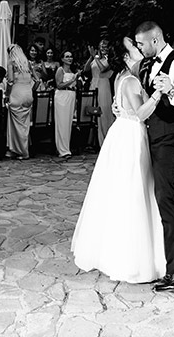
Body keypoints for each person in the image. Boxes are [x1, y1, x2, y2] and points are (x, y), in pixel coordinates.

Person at [71, 38, 166, 283]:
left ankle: (112, 251)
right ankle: (132, 257)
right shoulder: (131, 80)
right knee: (134, 189)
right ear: (125, 56)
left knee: (119, 190)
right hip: (132, 135)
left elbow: (121, 106)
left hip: (120, 132)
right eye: (135, 48)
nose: (139, 50)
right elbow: (140, 113)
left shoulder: (120, 77)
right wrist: (158, 94)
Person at [134, 20, 174, 292]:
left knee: (165, 198)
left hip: (172, 138)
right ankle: (158, 261)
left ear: (155, 39)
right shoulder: (146, 64)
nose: (139, 48)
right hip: (151, 136)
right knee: (152, 198)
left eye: (141, 44)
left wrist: (172, 90)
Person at [5, 45, 34, 160]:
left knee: (16, 126)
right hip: (28, 94)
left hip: (17, 95)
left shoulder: (11, 63)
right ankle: (15, 149)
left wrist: (7, 94)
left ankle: (23, 151)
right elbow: (37, 80)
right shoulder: (27, 64)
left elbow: (10, 81)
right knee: (24, 125)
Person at [86, 40, 114, 144]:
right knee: (93, 112)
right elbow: (86, 69)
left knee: (103, 111)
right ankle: (94, 141)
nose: (103, 48)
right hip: (94, 84)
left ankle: (106, 139)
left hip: (103, 84)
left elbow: (102, 69)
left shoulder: (109, 59)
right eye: (101, 46)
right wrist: (91, 57)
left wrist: (95, 57)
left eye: (105, 46)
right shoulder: (96, 59)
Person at [53, 50, 79, 159]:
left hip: (71, 96)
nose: (69, 58)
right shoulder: (60, 70)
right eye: (67, 56)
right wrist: (72, 80)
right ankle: (62, 150)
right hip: (62, 96)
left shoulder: (72, 70)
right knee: (62, 123)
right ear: (62, 59)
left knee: (68, 123)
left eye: (71, 56)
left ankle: (66, 147)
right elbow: (59, 85)